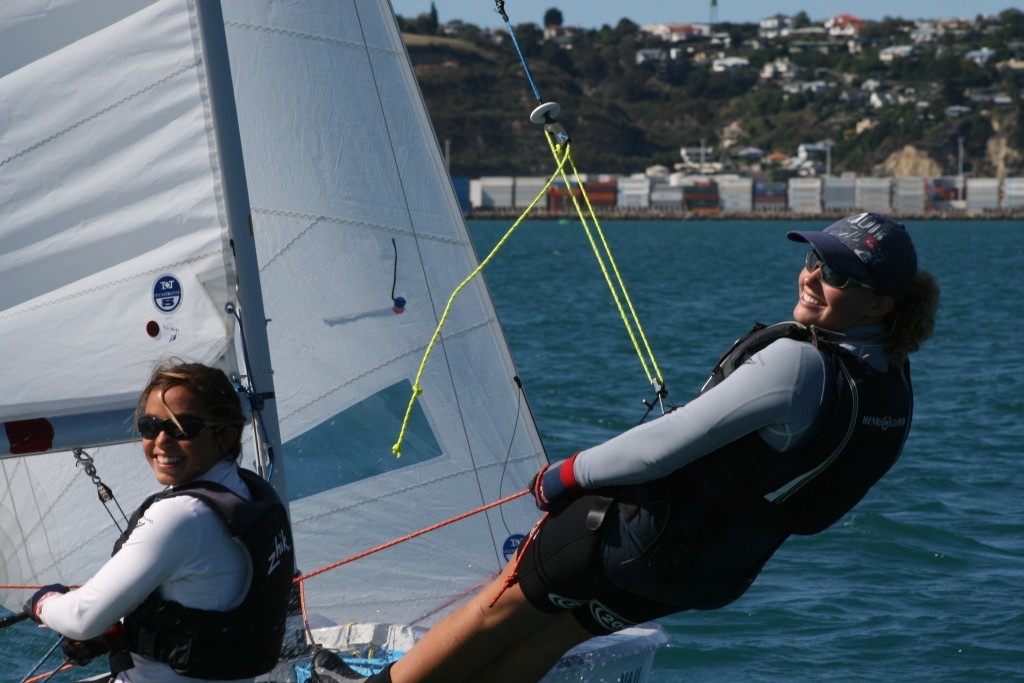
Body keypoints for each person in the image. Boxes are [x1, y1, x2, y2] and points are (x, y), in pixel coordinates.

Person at [313, 212, 940, 683]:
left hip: (625, 537)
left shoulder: (801, 366)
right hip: (710, 570)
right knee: (546, 638)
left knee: (489, 615)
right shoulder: (892, 385)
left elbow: (661, 448)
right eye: (813, 260)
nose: (811, 276)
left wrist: (562, 477)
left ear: (881, 302)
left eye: (835, 273)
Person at [24, 361, 295, 682]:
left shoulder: (183, 516)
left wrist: (44, 601)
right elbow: (211, 605)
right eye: (149, 426)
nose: (162, 441)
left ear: (227, 435)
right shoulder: (251, 493)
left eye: (182, 428)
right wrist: (122, 632)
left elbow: (81, 618)